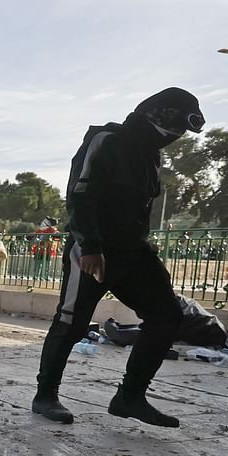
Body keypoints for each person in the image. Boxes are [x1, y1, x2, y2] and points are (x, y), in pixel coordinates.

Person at [32, 87, 205, 428]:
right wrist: (91, 245)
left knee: (167, 316)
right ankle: (45, 395)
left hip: (134, 252)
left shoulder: (150, 155)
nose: (173, 139)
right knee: (71, 322)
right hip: (94, 249)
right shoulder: (107, 139)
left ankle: (130, 396)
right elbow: (81, 194)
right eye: (173, 130)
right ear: (154, 116)